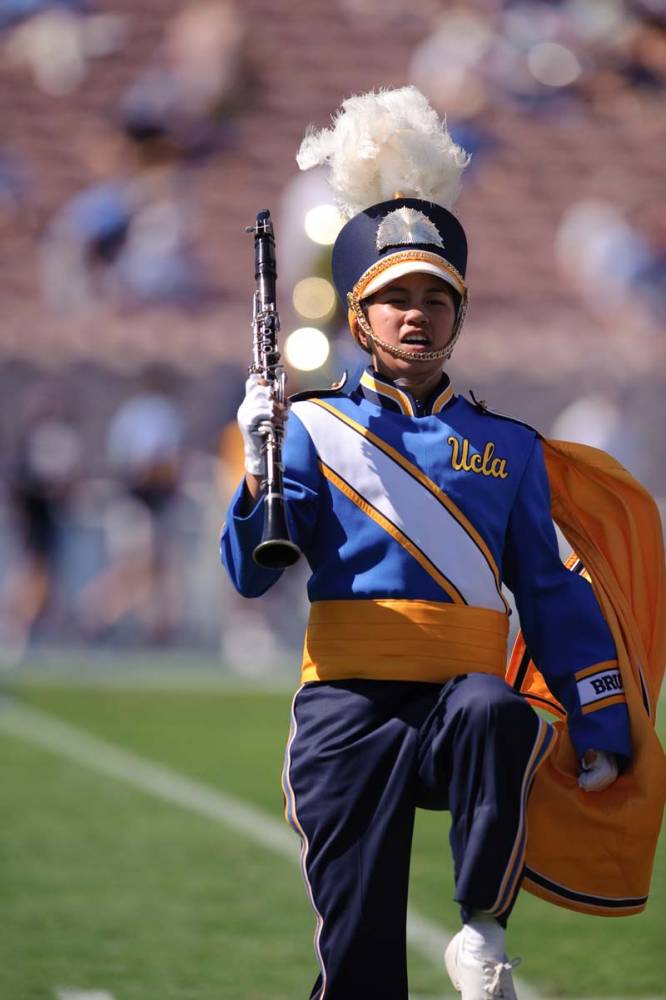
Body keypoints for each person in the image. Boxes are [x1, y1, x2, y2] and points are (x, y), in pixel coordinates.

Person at [221, 88, 634, 1000]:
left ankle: (482, 928)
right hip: (346, 712)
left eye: (435, 300)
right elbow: (252, 575)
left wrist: (600, 715)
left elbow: (552, 589)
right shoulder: (313, 429)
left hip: (459, 709)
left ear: (461, 316)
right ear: (360, 319)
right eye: (394, 299)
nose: (416, 316)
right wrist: (257, 472)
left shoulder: (512, 447)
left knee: (496, 709)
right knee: (360, 966)